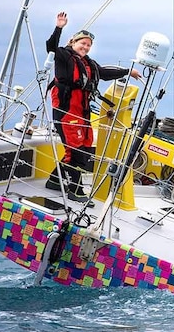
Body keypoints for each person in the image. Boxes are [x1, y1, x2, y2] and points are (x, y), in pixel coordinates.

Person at [45, 11, 141, 201]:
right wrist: (59, 27)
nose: (86, 47)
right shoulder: (63, 55)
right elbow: (51, 47)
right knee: (76, 151)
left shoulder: (88, 63)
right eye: (83, 43)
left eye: (89, 45)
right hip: (65, 112)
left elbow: (104, 72)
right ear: (74, 42)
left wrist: (128, 72)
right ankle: (75, 191)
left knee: (85, 146)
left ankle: (54, 181)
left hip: (82, 112)